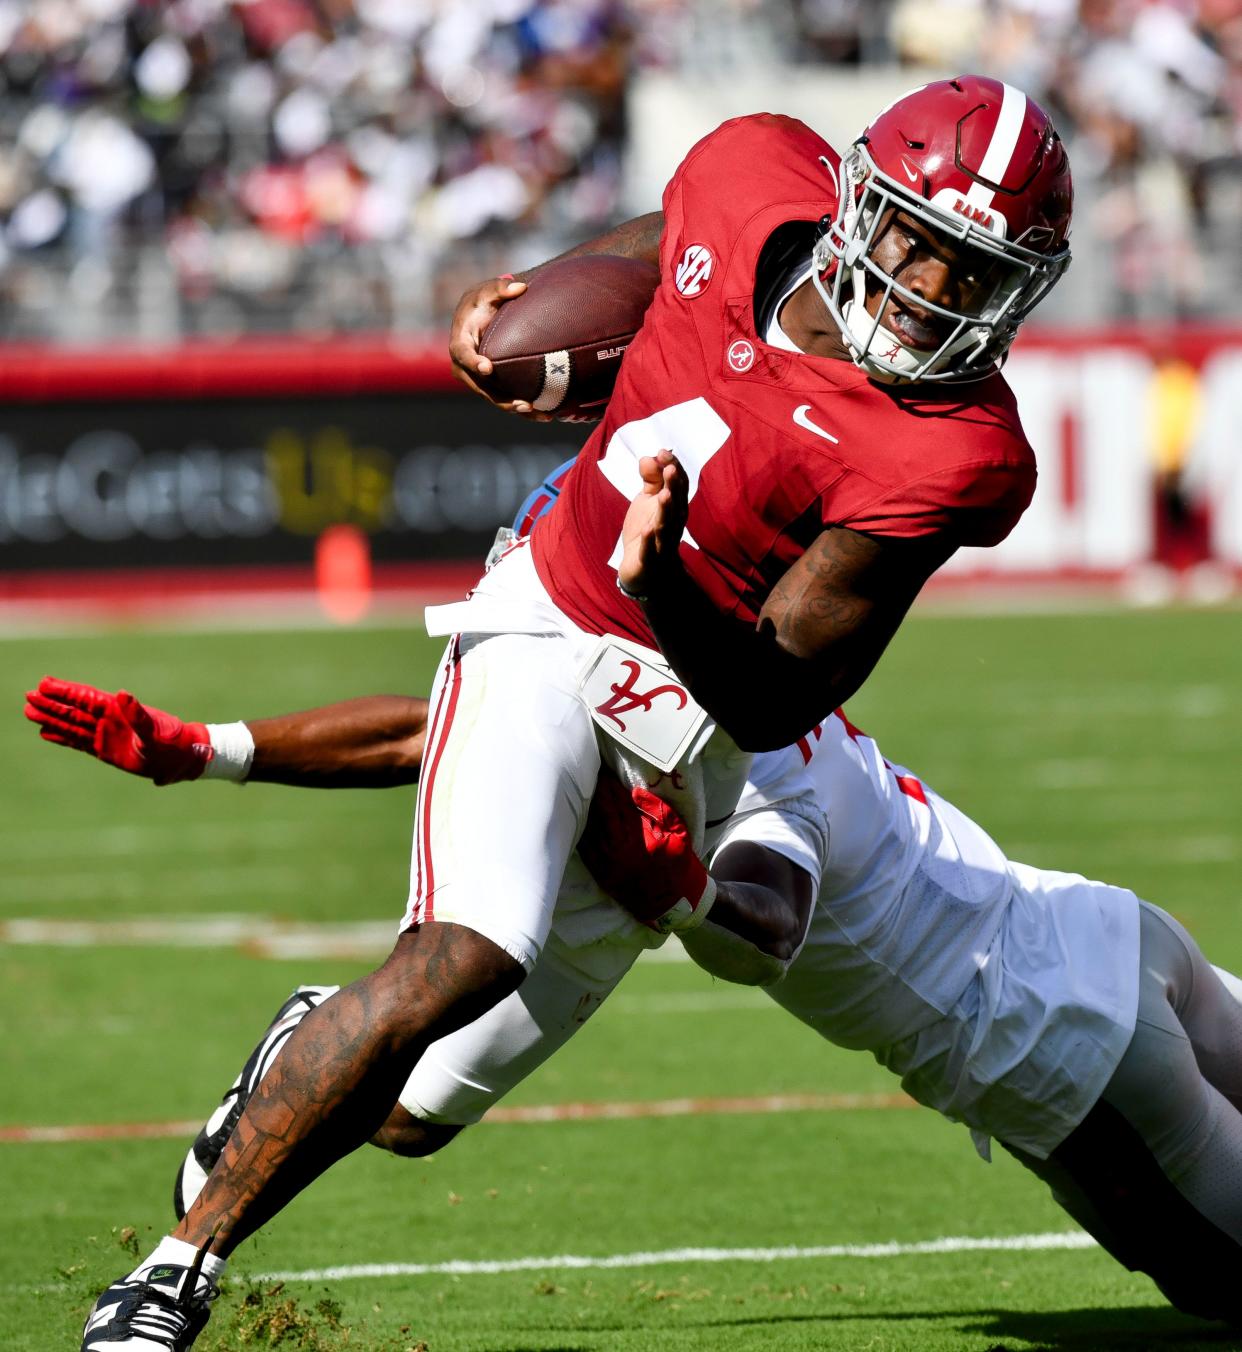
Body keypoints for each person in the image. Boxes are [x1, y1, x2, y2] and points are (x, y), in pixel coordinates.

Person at [62, 75, 1074, 1350]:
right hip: (549, 617)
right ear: (857, 199)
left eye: (974, 271)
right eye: (921, 240)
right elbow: (673, 242)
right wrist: (536, 294)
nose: (932, 286)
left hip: (690, 731)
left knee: (408, 1112)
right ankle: (167, 1274)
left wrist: (680, 825)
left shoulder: (950, 450)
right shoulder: (755, 174)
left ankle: (301, 1045)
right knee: (470, 946)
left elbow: (771, 696)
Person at [28, 670, 1242, 1325]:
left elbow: (762, 925)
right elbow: (461, 734)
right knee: (399, 1109)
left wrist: (678, 888)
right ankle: (316, 1049)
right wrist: (215, 746)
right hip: (1113, 924)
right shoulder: (726, 685)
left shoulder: (755, 770)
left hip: (1059, 1044)